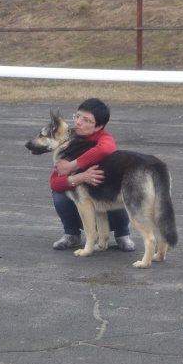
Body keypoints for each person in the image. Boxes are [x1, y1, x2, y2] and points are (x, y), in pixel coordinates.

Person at [50, 98, 135, 252]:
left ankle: (122, 234)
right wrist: (80, 177)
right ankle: (72, 234)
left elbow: (105, 149)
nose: (78, 123)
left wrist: (73, 165)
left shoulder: (104, 139)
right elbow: (54, 183)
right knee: (59, 193)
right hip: (86, 209)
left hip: (108, 205)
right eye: (77, 116)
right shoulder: (68, 141)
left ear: (99, 127)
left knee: (120, 189)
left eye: (86, 120)